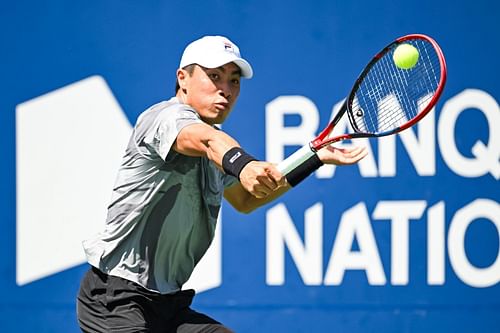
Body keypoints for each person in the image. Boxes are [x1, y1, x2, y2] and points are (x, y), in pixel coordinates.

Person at [76, 35, 367, 333]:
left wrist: (313, 158)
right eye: (214, 76)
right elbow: (206, 140)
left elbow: (246, 199)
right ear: (183, 79)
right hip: (115, 301)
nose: (225, 90)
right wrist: (245, 165)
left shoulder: (216, 146)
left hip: (169, 305)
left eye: (234, 80)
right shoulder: (165, 118)